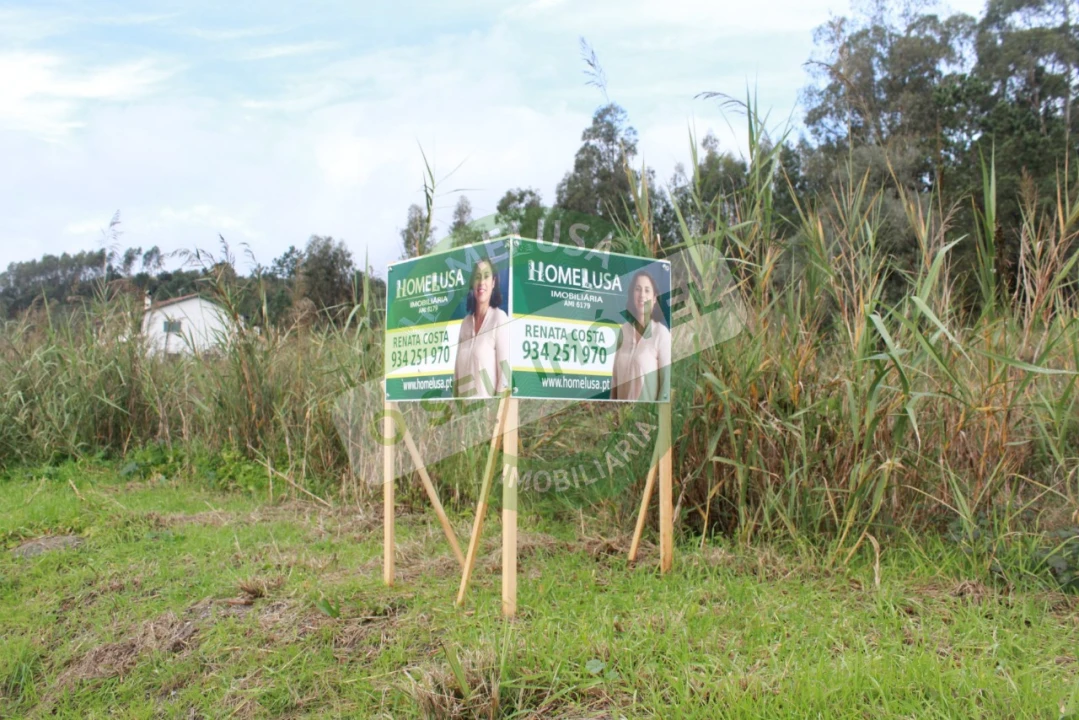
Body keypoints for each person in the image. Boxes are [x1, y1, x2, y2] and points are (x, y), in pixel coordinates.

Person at [610, 269, 671, 401]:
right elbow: (614, 381)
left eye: (647, 290)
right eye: (638, 289)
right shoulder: (623, 331)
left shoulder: (661, 334)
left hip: (647, 418)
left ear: (654, 299)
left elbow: (666, 384)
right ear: (632, 294)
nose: (642, 295)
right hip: (621, 416)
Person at [454, 257, 509, 398]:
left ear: (493, 282)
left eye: (486, 276)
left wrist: (495, 415)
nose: (481, 282)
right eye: (477, 277)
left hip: (487, 415)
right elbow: (456, 377)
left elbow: (505, 378)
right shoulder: (465, 323)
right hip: (462, 416)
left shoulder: (499, 318)